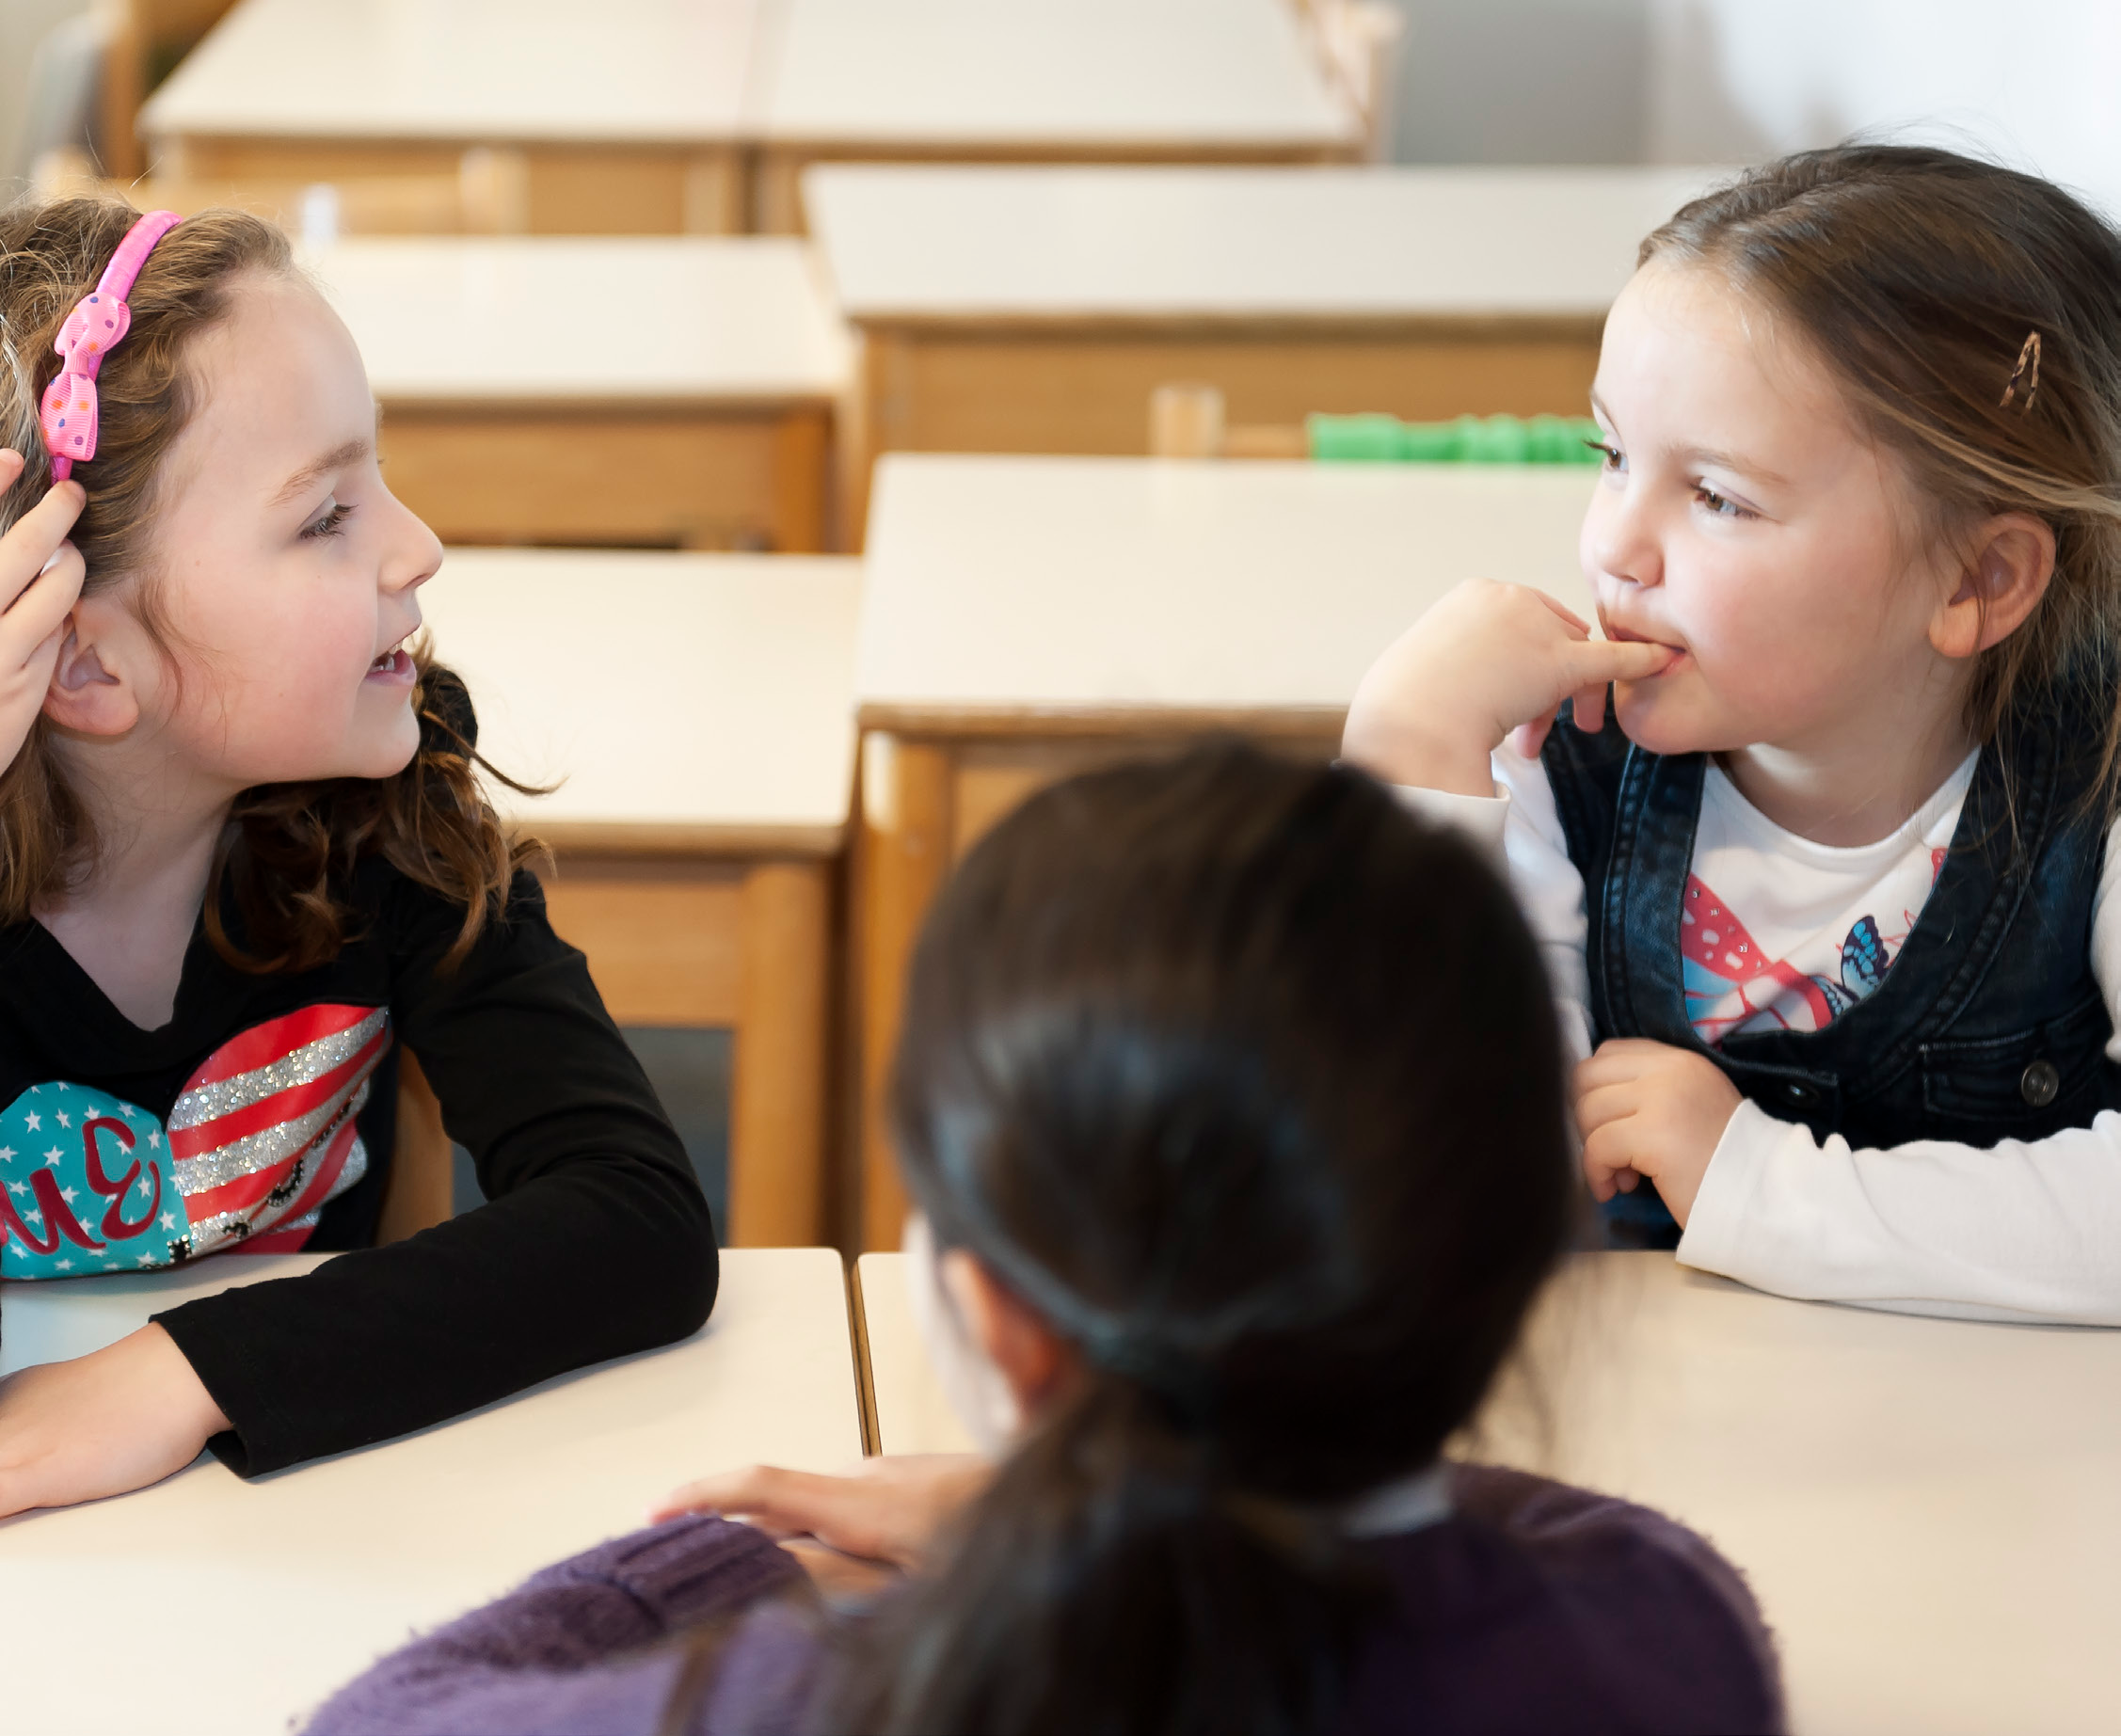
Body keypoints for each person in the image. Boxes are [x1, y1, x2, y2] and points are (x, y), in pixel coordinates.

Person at [309, 744, 1783, 1736]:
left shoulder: (835, 1695)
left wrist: (719, 1566)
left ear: (994, 1316)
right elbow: (1632, 1546)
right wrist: (1186, 1478)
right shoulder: (1648, 1647)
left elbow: (375, 1721)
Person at [0, 199, 714, 1514]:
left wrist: (180, 1372)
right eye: (326, 515)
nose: (415, 544)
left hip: (296, 1535)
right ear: (86, 657)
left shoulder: (381, 809)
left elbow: (637, 1217)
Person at [1342, 144, 2121, 1321]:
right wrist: (1410, 771)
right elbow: (1431, 1191)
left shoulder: (2095, 787)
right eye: (1610, 457)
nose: (1614, 545)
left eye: (1715, 497)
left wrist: (1751, 1183)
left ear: (1977, 578)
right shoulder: (1559, 762)